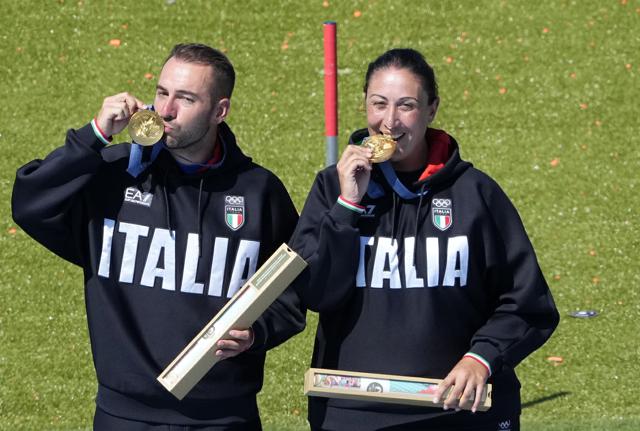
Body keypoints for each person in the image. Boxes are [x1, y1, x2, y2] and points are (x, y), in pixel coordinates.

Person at [12, 43, 305, 430]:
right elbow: (31, 202)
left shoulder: (258, 192)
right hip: (124, 416)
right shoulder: (113, 176)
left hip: (224, 417)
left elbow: (293, 291)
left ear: (220, 111)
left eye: (185, 98)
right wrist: (95, 135)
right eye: (162, 92)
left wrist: (257, 333)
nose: (165, 110)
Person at [290, 48, 559, 431]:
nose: (389, 121)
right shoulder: (332, 189)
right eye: (378, 104)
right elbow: (316, 293)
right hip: (356, 415)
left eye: (407, 106)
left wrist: (481, 358)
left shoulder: (475, 193)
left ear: (432, 109)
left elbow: (529, 304)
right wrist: (348, 205)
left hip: (460, 412)